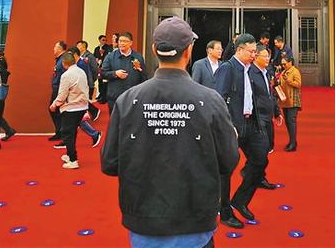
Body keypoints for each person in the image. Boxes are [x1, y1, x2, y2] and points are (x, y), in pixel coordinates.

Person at [101, 16, 239, 248]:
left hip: (144, 220)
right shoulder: (210, 99)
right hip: (195, 219)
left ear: (154, 50)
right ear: (189, 51)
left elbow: (110, 163)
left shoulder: (128, 100)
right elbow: (228, 160)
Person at [214, 33, 269, 229]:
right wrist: (228, 126)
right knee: (226, 170)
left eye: (255, 52)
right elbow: (219, 100)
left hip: (251, 123)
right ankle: (225, 212)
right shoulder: (228, 68)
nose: (254, 55)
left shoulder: (249, 69)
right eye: (251, 51)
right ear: (239, 50)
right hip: (232, 127)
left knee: (260, 160)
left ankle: (240, 200)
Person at [50, 51, 89, 168]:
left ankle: (73, 160)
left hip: (71, 107)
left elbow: (62, 94)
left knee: (67, 134)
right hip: (82, 106)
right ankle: (69, 154)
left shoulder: (66, 75)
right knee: (72, 132)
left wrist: (54, 104)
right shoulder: (81, 71)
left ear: (64, 63)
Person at [251, 44, 281, 190]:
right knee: (260, 150)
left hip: (268, 116)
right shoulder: (250, 73)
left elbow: (271, 94)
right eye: (265, 56)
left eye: (269, 56)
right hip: (258, 117)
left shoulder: (267, 72)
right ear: (256, 57)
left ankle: (256, 175)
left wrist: (277, 111)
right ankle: (257, 177)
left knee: (268, 147)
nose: (268, 59)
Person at [101, 32, 146, 115]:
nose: (122, 43)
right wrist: (115, 73)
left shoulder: (138, 57)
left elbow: (143, 76)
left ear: (131, 43)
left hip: (133, 96)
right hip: (115, 97)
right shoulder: (110, 57)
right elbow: (103, 73)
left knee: (132, 120)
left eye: (125, 41)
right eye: (120, 41)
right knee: (115, 120)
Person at [68, 47, 102, 148]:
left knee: (76, 118)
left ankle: (94, 133)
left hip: (78, 94)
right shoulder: (77, 63)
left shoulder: (81, 64)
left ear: (75, 55)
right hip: (76, 94)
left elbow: (83, 78)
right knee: (76, 119)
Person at [278, 56, 301, 152]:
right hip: (285, 100)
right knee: (287, 122)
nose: (283, 66)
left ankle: (293, 143)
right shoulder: (283, 72)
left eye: (285, 64)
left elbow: (298, 84)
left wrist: (289, 81)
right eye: (282, 64)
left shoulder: (295, 71)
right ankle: (292, 141)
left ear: (290, 62)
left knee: (291, 121)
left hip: (293, 100)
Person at [76, 40, 101, 122]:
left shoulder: (90, 56)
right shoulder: (79, 56)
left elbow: (95, 69)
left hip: (87, 81)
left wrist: (92, 79)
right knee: (83, 99)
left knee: (84, 99)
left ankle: (93, 111)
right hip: (80, 81)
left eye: (79, 45)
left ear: (83, 47)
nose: (77, 47)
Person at [49, 41, 68, 143]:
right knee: (55, 111)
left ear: (60, 49)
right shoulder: (59, 60)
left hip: (60, 89)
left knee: (56, 111)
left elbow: (64, 76)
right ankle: (59, 132)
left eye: (55, 47)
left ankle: (62, 134)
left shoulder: (63, 60)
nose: (53, 49)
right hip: (57, 88)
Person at [93, 35, 113, 103]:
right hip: (98, 66)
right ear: (99, 40)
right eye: (103, 40)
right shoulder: (97, 48)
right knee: (100, 81)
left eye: (105, 40)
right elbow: (95, 56)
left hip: (105, 67)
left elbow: (107, 56)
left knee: (105, 82)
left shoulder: (108, 48)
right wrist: (96, 60)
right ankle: (100, 94)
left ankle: (104, 96)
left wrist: (102, 56)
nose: (104, 41)